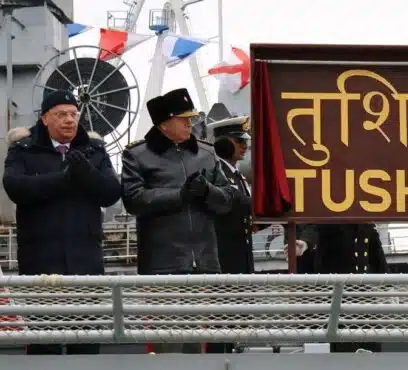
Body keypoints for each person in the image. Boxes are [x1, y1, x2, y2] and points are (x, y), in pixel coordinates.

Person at [3, 90, 122, 355]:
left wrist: (86, 172)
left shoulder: (93, 150)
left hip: (85, 259)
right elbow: (15, 187)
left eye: (73, 114)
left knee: (87, 337)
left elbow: (111, 192)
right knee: (44, 340)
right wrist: (64, 179)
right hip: (41, 260)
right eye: (61, 115)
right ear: (45, 119)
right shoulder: (24, 150)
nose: (69, 120)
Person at [121, 89, 234, 353]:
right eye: (183, 119)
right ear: (164, 124)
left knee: (197, 343)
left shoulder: (206, 153)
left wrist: (207, 191)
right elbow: (134, 200)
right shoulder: (138, 155)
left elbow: (227, 200)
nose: (189, 123)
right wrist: (179, 196)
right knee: (167, 341)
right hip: (163, 265)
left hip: (203, 262)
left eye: (190, 118)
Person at [290, 223, 388, 352]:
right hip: (331, 295)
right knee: (336, 342)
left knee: (368, 340)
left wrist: (387, 286)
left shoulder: (366, 227)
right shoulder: (329, 222)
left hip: (362, 296)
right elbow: (314, 228)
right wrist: (305, 242)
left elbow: (378, 258)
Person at [209, 115, 255, 275]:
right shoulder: (217, 172)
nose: (245, 146)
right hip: (224, 254)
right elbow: (238, 203)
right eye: (239, 141)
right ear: (223, 144)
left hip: (242, 252)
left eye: (246, 141)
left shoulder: (238, 176)